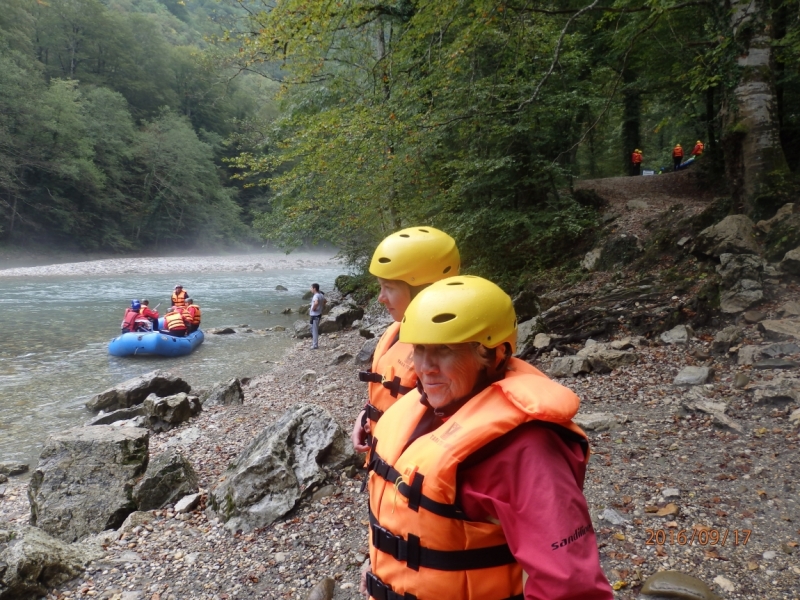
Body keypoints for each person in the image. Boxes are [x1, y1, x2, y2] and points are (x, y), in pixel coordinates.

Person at [361, 276, 614, 600]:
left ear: (495, 355)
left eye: (445, 350)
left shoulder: (526, 449)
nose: (425, 367)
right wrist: (378, 565)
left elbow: (570, 588)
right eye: (420, 348)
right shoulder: (419, 407)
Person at [351, 226, 460, 453]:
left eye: (388, 287)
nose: (380, 298)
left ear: (423, 289)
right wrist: (366, 415)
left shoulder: (451, 353)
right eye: (380, 287)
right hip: (384, 457)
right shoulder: (398, 330)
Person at [308, 284, 326, 349]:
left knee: (314, 330)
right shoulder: (321, 295)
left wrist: (313, 308)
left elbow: (316, 302)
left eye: (311, 288)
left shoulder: (316, 296)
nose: (310, 289)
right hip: (318, 314)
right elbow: (325, 301)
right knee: (312, 329)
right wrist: (321, 307)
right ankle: (314, 343)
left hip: (315, 315)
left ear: (314, 289)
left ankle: (315, 345)